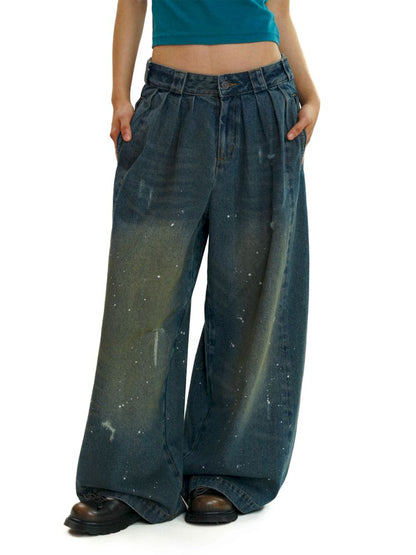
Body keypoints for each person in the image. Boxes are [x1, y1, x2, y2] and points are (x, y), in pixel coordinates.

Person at [64, 0, 320, 535]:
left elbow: (279, 10)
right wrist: (119, 95)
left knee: (250, 300)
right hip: (169, 102)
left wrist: (309, 92)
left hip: (265, 102)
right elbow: (132, 4)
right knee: (141, 301)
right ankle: (126, 477)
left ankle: (225, 471)